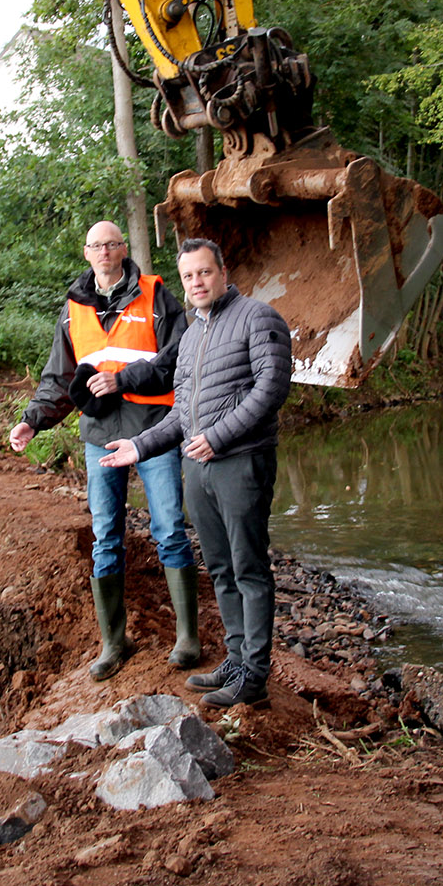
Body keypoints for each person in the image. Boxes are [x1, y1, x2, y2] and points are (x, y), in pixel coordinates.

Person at [100, 237, 291, 708]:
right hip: (198, 466)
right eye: (188, 276)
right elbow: (182, 413)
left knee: (248, 566)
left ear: (222, 272)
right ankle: (236, 657)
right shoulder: (189, 334)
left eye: (204, 272)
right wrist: (139, 445)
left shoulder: (258, 317)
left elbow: (271, 388)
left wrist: (220, 436)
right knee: (221, 568)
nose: (197, 282)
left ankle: (255, 675)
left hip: (240, 461)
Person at [10, 220, 199, 681]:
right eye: (96, 245)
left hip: (152, 431)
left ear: (122, 249)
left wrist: (124, 380)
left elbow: (179, 359)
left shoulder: (157, 296)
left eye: (112, 244)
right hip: (98, 435)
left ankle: (188, 638)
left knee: (170, 528)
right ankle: (114, 643)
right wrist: (32, 420)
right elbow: (59, 376)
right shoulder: (74, 307)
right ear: (86, 252)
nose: (104, 252)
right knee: (105, 537)